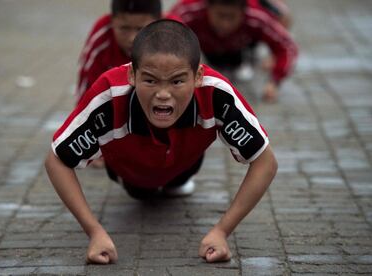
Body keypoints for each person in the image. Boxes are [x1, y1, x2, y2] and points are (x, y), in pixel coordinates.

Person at [45, 19, 277, 264]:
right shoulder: (109, 95)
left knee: (177, 182)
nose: (163, 93)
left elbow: (266, 162)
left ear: (198, 76)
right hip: (130, 171)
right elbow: (57, 161)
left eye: (177, 81)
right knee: (141, 192)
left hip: (185, 162)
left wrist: (222, 231)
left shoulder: (217, 93)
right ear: (132, 75)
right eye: (150, 81)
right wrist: (94, 231)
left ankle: (177, 180)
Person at [168, 0, 298, 102]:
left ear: (243, 11)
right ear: (208, 7)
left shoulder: (257, 15)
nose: (225, 24)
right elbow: (166, 32)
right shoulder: (190, 9)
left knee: (281, 14)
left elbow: (287, 46)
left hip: (243, 49)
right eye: (220, 15)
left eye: (232, 17)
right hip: (205, 49)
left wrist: (275, 81)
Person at [76, 0, 162, 102]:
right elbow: (85, 97)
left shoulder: (174, 37)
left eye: (140, 29)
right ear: (112, 21)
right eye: (124, 28)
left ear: (158, 22)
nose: (132, 38)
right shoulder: (102, 36)